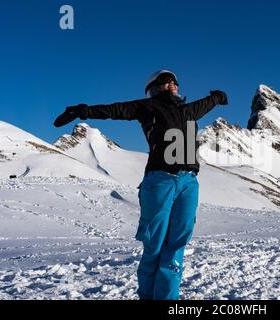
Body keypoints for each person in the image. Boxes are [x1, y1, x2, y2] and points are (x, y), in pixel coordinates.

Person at [53, 70, 228, 300]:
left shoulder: (189, 110)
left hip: (189, 183)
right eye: (166, 80)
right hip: (160, 181)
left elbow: (207, 103)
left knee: (176, 248)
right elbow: (115, 110)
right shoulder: (149, 106)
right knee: (154, 247)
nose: (173, 83)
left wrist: (217, 97)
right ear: (155, 87)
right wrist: (83, 110)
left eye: (175, 80)